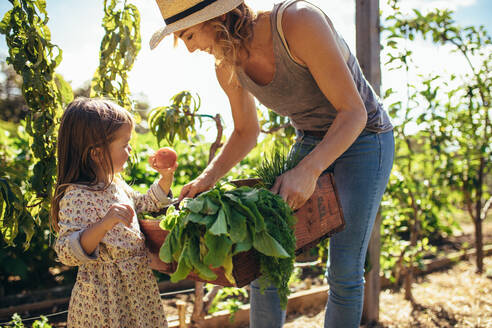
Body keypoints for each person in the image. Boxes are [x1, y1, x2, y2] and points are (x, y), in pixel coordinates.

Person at [150, 0, 394, 327]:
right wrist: (206, 178)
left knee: (344, 269)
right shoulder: (226, 65)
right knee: (263, 258)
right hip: (309, 138)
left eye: (190, 35)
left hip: (365, 138)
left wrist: (308, 170)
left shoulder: (298, 23)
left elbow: (354, 113)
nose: (192, 49)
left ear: (217, 16)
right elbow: (245, 131)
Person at [50, 97, 176, 328]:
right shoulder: (77, 195)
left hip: (137, 290)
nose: (130, 150)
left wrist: (165, 179)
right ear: (97, 154)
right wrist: (104, 224)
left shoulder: (115, 184)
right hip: (105, 298)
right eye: (125, 144)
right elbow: (67, 251)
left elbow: (144, 204)